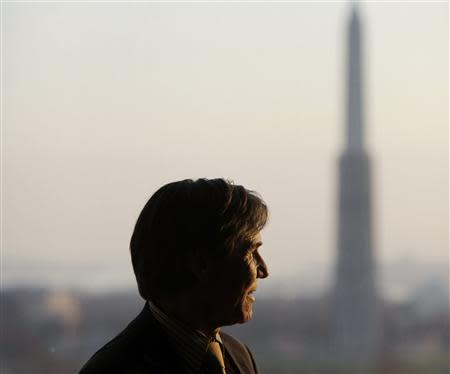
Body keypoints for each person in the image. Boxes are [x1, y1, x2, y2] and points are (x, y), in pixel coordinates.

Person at [80, 178, 269, 374]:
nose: (263, 270)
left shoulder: (239, 356)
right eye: (250, 252)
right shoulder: (113, 369)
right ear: (201, 264)